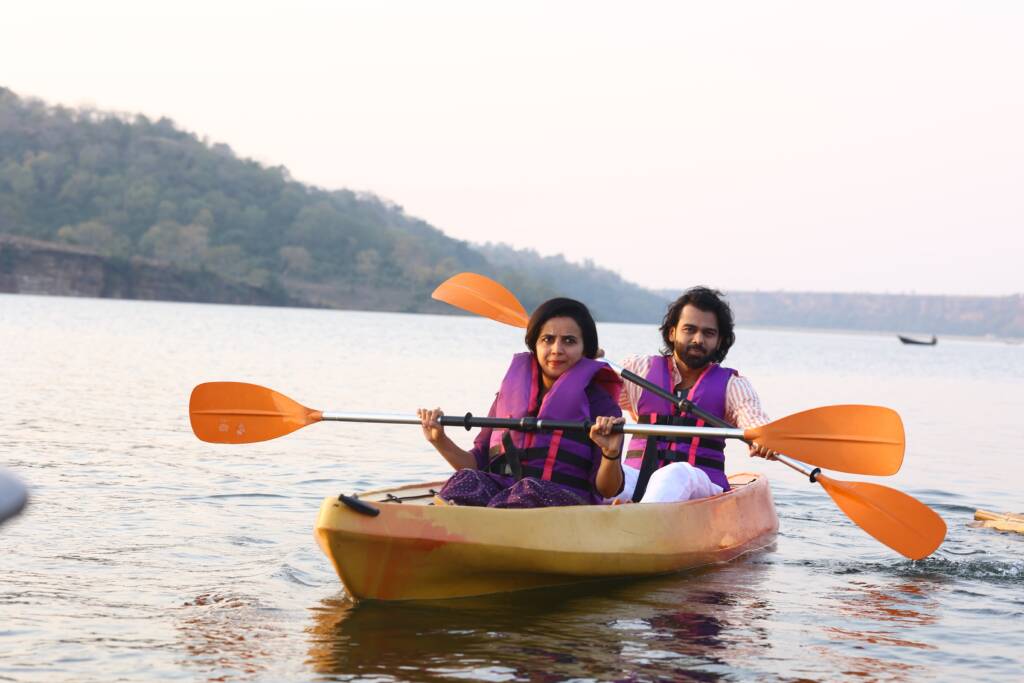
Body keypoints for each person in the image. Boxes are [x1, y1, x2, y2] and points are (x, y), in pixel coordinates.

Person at [418, 298, 625, 508]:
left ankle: (473, 525)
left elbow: (608, 490)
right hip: (506, 495)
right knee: (468, 479)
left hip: (566, 503)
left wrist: (611, 454)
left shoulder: (601, 405)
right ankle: (447, 523)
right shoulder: (508, 395)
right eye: (548, 339)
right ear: (535, 344)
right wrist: (440, 440)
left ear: (585, 349)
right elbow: (477, 463)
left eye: (569, 341)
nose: (556, 349)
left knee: (529, 488)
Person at [602, 286, 772, 504]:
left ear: (719, 341)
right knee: (603, 477)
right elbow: (597, 397)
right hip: (639, 478)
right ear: (672, 333)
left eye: (708, 333)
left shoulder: (733, 385)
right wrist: (590, 366)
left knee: (675, 474)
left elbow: (753, 418)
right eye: (689, 329)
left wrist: (763, 437)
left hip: (700, 486)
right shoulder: (637, 370)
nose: (698, 339)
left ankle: (637, 522)